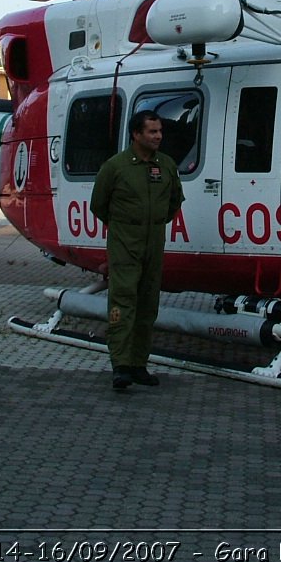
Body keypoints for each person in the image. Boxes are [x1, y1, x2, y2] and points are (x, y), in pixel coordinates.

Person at [90, 110, 185, 392]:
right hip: (125, 244)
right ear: (136, 134)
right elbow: (99, 204)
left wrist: (152, 223)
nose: (158, 136)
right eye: (152, 132)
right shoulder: (116, 167)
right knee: (123, 302)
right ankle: (120, 365)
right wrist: (125, 226)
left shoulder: (166, 165)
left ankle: (138, 364)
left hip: (154, 242)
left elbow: (174, 201)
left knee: (147, 305)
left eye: (160, 132)